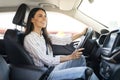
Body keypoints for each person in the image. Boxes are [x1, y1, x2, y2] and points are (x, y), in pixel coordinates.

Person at [24, 7, 99, 80]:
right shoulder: (29, 38)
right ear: (32, 19)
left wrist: (82, 33)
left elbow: (64, 40)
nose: (44, 19)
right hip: (46, 74)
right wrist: (70, 57)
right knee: (87, 72)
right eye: (40, 16)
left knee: (80, 58)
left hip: (53, 67)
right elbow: (46, 60)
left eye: (45, 16)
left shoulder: (43, 35)